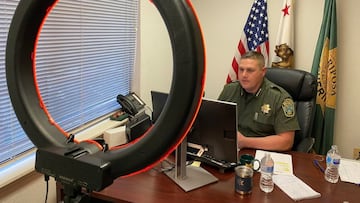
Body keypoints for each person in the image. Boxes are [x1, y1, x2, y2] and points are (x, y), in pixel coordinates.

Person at [218, 51, 300, 151]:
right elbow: (215, 121)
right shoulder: (229, 90)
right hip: (229, 148)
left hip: (262, 154)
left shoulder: (279, 98)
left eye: (250, 70)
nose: (244, 75)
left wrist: (245, 142)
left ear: (263, 72)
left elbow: (286, 141)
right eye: (241, 69)